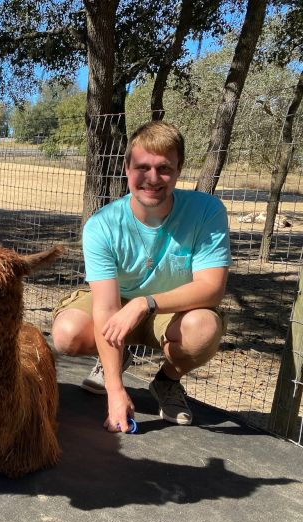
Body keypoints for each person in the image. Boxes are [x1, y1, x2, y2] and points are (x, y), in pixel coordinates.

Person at [52, 121, 231, 433]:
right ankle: (113, 363)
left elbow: (212, 288)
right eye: (142, 167)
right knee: (67, 332)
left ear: (179, 169)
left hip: (172, 308)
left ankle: (166, 381)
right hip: (117, 304)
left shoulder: (207, 211)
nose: (152, 178)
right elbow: (106, 308)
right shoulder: (102, 225)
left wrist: (143, 304)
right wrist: (115, 390)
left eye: (164, 168)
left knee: (203, 328)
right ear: (126, 168)